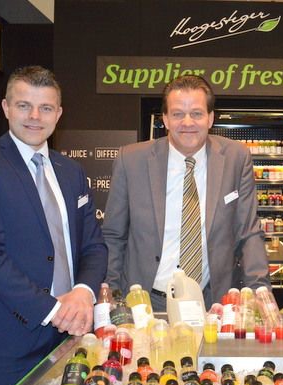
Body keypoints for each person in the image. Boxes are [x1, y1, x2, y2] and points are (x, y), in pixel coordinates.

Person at [0, 66, 107, 385]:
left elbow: (93, 246)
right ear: (6, 107)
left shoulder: (71, 171)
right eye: (24, 106)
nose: (35, 116)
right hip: (8, 335)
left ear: (59, 114)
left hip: (71, 333)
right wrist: (54, 310)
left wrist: (83, 293)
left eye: (45, 108)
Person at [102, 75, 269, 310]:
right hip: (146, 303)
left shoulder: (236, 158)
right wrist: (110, 294)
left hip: (213, 302)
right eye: (178, 114)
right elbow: (113, 236)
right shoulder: (131, 160)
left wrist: (260, 292)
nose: (187, 122)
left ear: (210, 118)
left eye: (197, 113)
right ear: (165, 119)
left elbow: (248, 232)